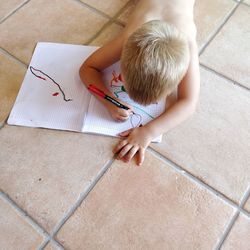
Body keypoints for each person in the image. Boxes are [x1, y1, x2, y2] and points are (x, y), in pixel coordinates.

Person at [79, 0, 200, 166]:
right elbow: (87, 68)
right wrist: (108, 100)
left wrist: (149, 132)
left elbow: (189, 104)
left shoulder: (188, 48)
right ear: (121, 63)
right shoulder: (130, 40)